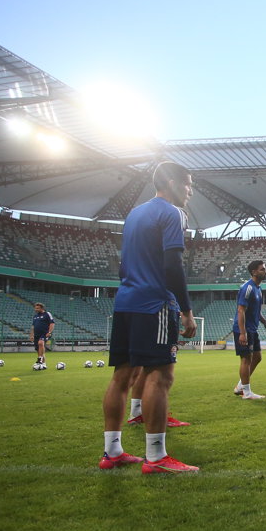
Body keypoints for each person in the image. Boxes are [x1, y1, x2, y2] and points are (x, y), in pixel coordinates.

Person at [100, 161, 199, 474]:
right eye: (187, 184)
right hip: (154, 304)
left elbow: (124, 264)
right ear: (170, 182)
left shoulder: (135, 214)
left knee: (122, 376)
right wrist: (186, 311)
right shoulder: (170, 213)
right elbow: (173, 265)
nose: (190, 191)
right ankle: (156, 457)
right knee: (160, 374)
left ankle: (112, 452)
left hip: (125, 301)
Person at [232, 259, 266, 400]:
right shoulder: (247, 288)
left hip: (253, 329)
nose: (265, 271)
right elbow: (240, 310)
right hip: (244, 329)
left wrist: (265, 323)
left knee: (257, 357)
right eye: (262, 269)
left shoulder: (258, 289)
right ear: (254, 272)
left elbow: (256, 311)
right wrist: (242, 333)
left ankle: (240, 387)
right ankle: (247, 393)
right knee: (246, 359)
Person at [31, 302, 54, 368]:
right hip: (36, 334)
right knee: (38, 349)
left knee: (41, 343)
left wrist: (49, 332)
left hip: (44, 333)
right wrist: (31, 335)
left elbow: (52, 323)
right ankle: (43, 363)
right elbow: (33, 326)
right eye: (35, 308)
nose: (36, 309)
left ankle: (40, 359)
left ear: (42, 308)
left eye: (37, 308)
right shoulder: (35, 316)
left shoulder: (47, 314)